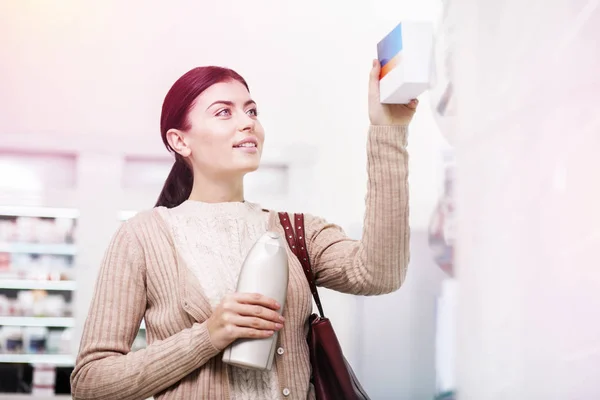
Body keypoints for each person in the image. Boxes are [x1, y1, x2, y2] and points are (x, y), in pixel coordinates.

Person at [70, 61, 417, 400]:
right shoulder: (142, 236)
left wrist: (388, 131)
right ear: (180, 141)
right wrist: (208, 335)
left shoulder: (295, 231)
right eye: (224, 112)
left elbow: (380, 274)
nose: (247, 123)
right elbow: (91, 382)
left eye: (251, 111)